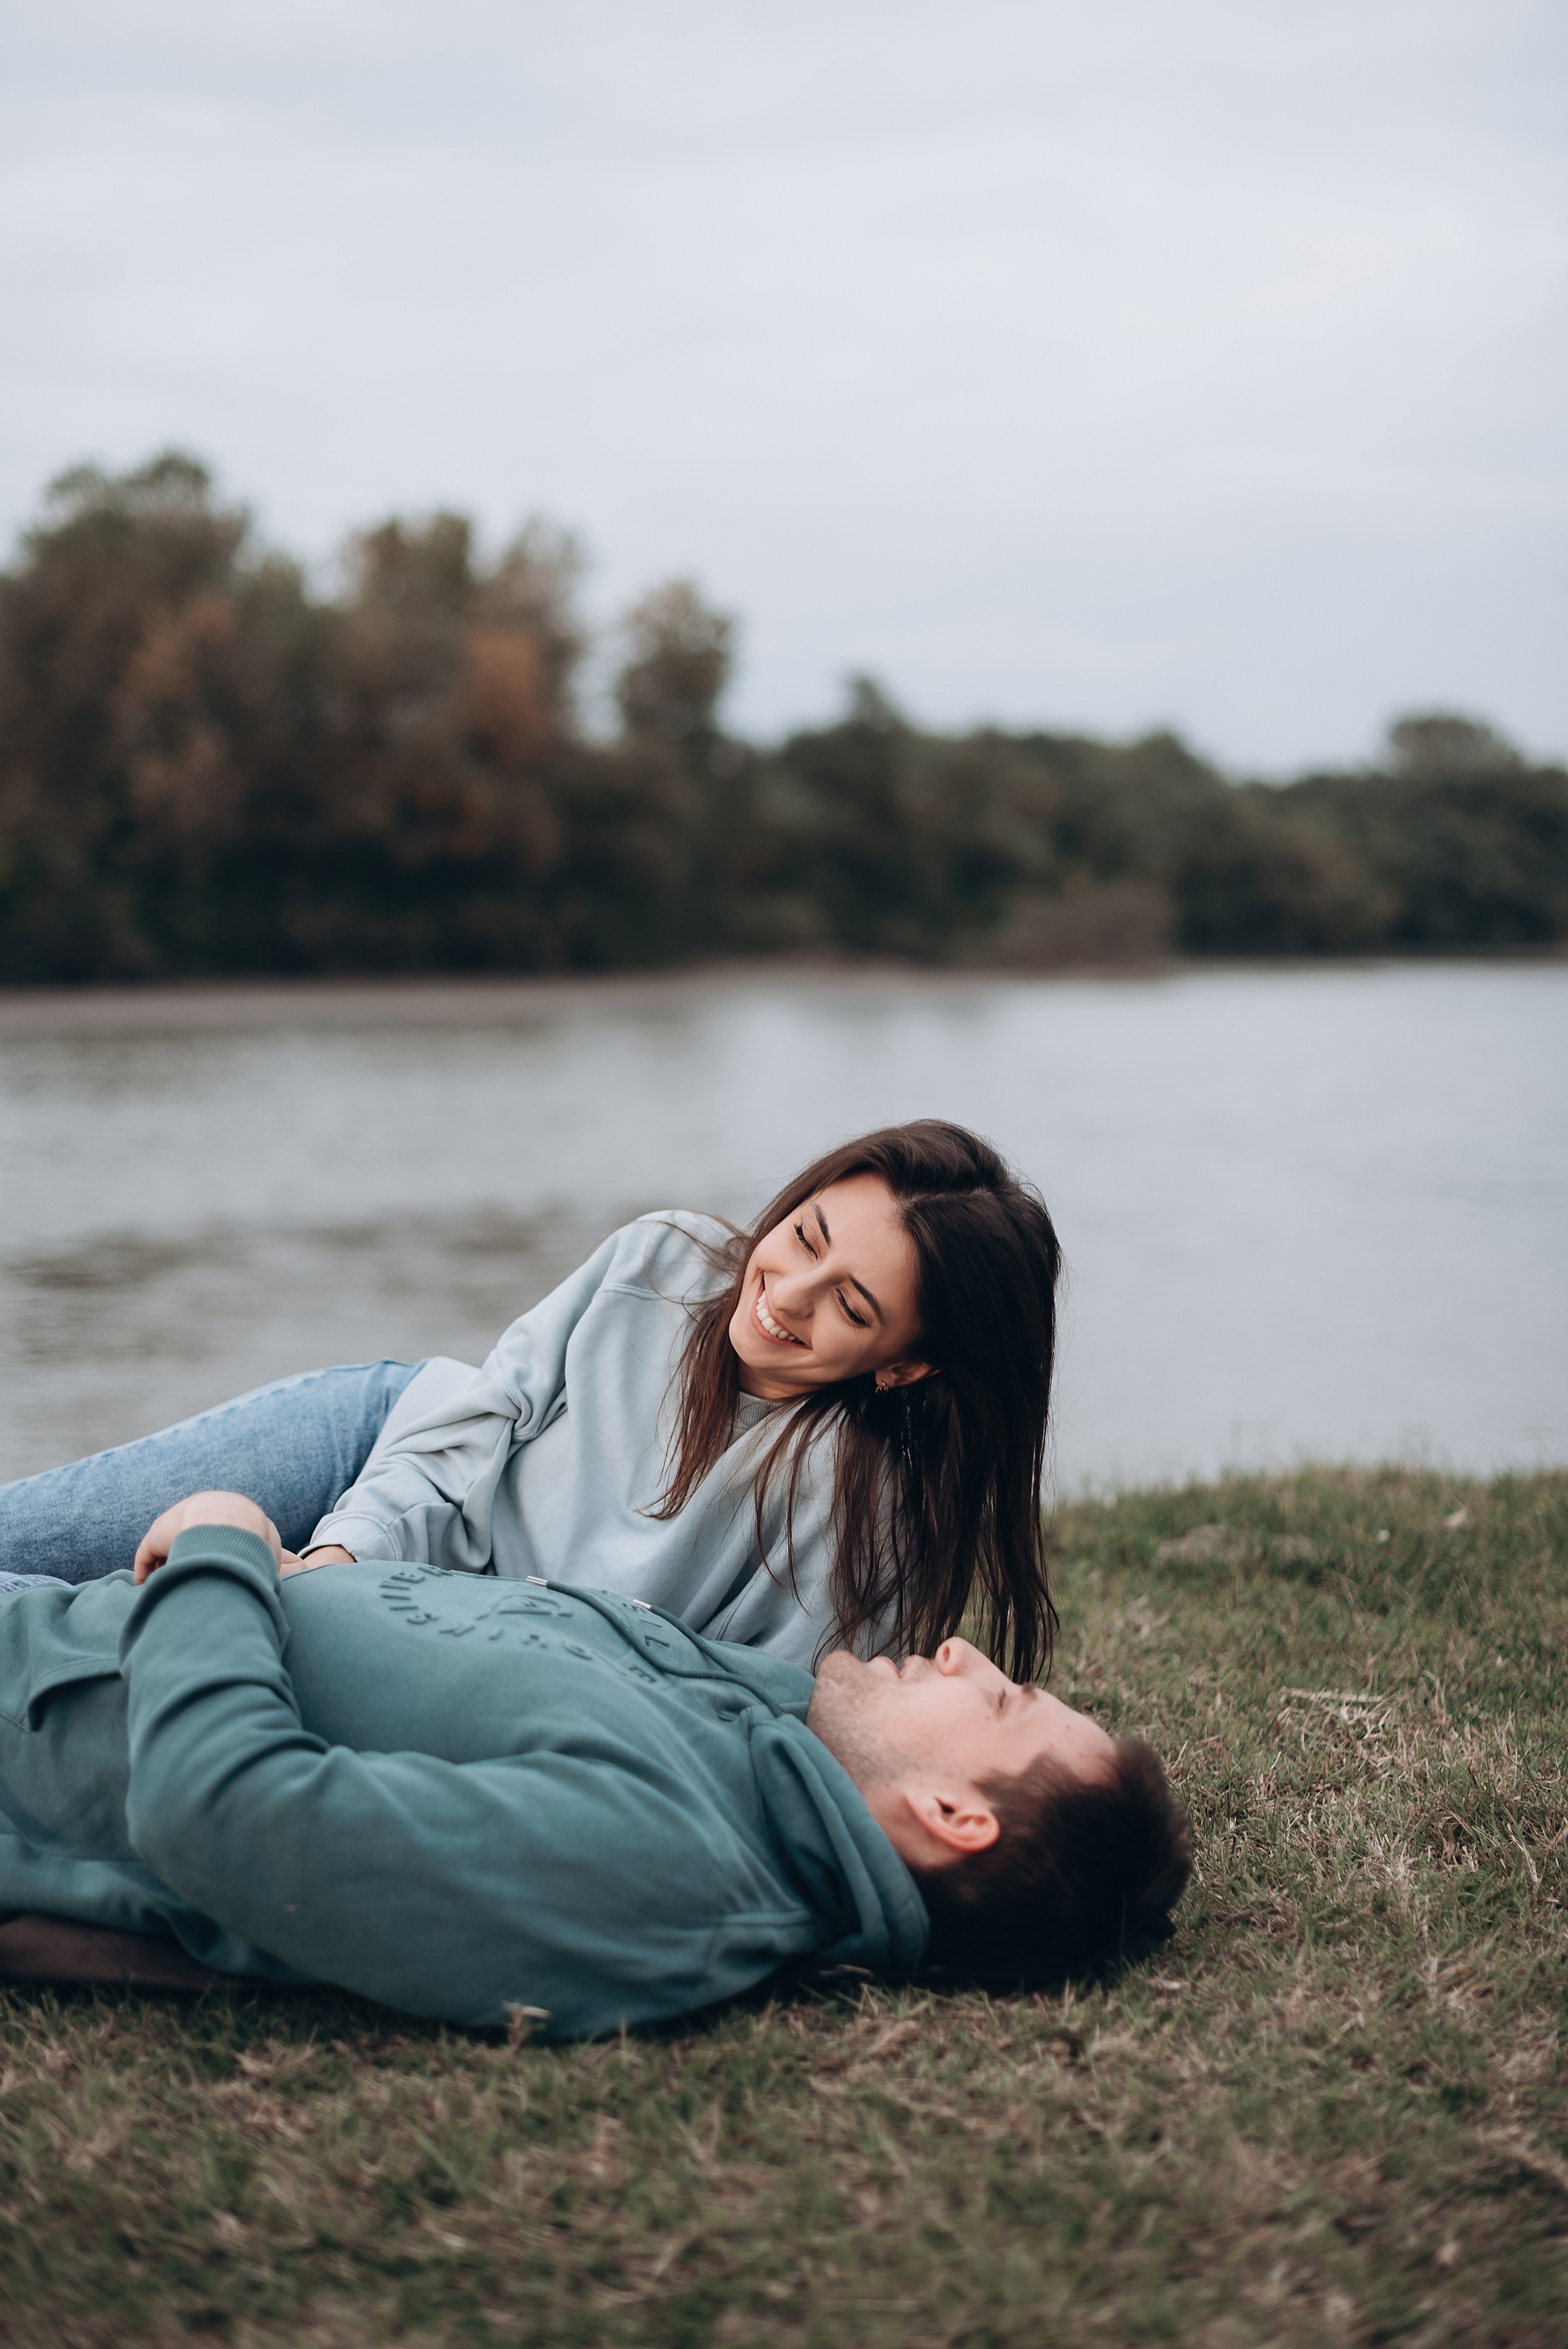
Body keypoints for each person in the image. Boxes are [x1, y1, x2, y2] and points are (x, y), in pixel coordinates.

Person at [0, 1494, 1191, 2030]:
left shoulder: (661, 1868)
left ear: (949, 1812)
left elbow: (222, 1814)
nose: (962, 1652)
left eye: (999, 1696)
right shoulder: (785, 1757)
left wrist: (219, 1546)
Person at [0, 1122, 1063, 1677]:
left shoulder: (855, 1507)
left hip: (414, 1633)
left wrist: (352, 1613)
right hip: (382, 1445)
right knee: (31, 1538)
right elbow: (483, 1421)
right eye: (804, 1236)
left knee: (65, 1634)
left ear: (905, 1364)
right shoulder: (664, 1258)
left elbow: (718, 1700)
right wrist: (333, 1564)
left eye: (852, 1306)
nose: (785, 1293)